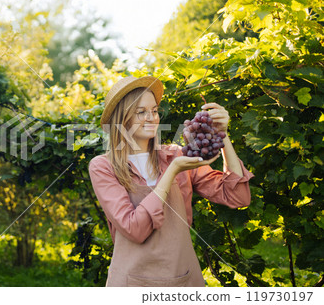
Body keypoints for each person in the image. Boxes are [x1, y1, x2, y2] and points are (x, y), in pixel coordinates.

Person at [88, 76, 254, 287]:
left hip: (183, 280)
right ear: (122, 119)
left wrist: (223, 136)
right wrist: (173, 171)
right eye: (141, 112)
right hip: (131, 283)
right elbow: (134, 228)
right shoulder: (103, 166)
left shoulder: (175, 155)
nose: (151, 118)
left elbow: (237, 196)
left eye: (154, 110)